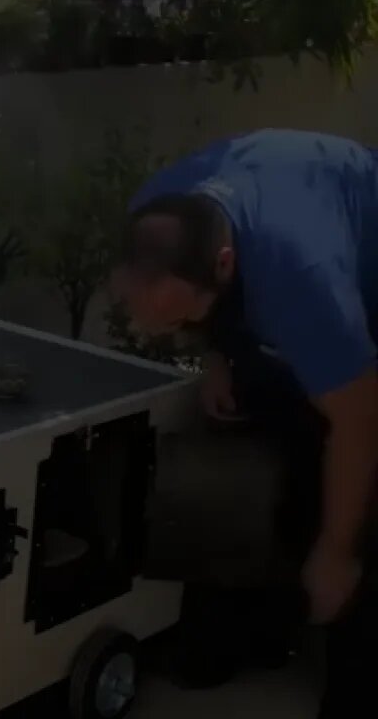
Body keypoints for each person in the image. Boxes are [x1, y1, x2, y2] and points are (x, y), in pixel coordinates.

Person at [110, 128, 378, 718]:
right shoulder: (156, 213)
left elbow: (359, 424)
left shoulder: (304, 279)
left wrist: (335, 553)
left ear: (226, 266)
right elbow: (202, 306)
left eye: (185, 314)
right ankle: (254, 635)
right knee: (256, 447)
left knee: (356, 500)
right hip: (272, 232)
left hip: (361, 254)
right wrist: (214, 358)